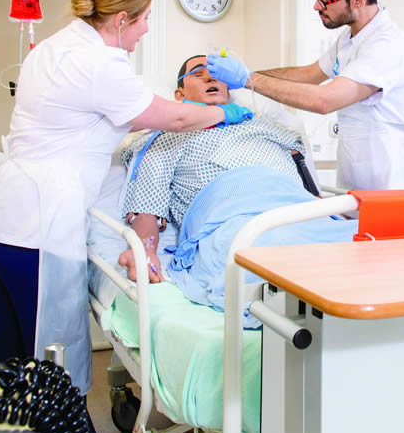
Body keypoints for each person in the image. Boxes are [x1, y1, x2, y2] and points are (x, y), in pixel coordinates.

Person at [0, 0, 252, 394]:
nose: (146, 30)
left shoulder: (53, 48)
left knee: (8, 353)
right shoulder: (98, 64)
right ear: (123, 20)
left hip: (1, 216)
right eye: (144, 19)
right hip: (39, 221)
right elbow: (172, 118)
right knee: (51, 357)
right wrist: (225, 113)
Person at [203, 0, 404, 191]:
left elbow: (324, 101)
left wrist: (247, 79)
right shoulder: (350, 38)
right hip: (355, 175)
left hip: (391, 180)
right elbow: (308, 75)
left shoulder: (387, 45)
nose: (316, 6)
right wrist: (248, 72)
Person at [117, 54, 312, 281]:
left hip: (299, 212)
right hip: (233, 221)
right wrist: (144, 251)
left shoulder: (262, 125)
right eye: (199, 75)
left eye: (218, 77)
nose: (210, 80)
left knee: (350, 247)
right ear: (179, 94)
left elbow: (300, 166)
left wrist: (324, 207)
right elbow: (147, 207)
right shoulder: (166, 138)